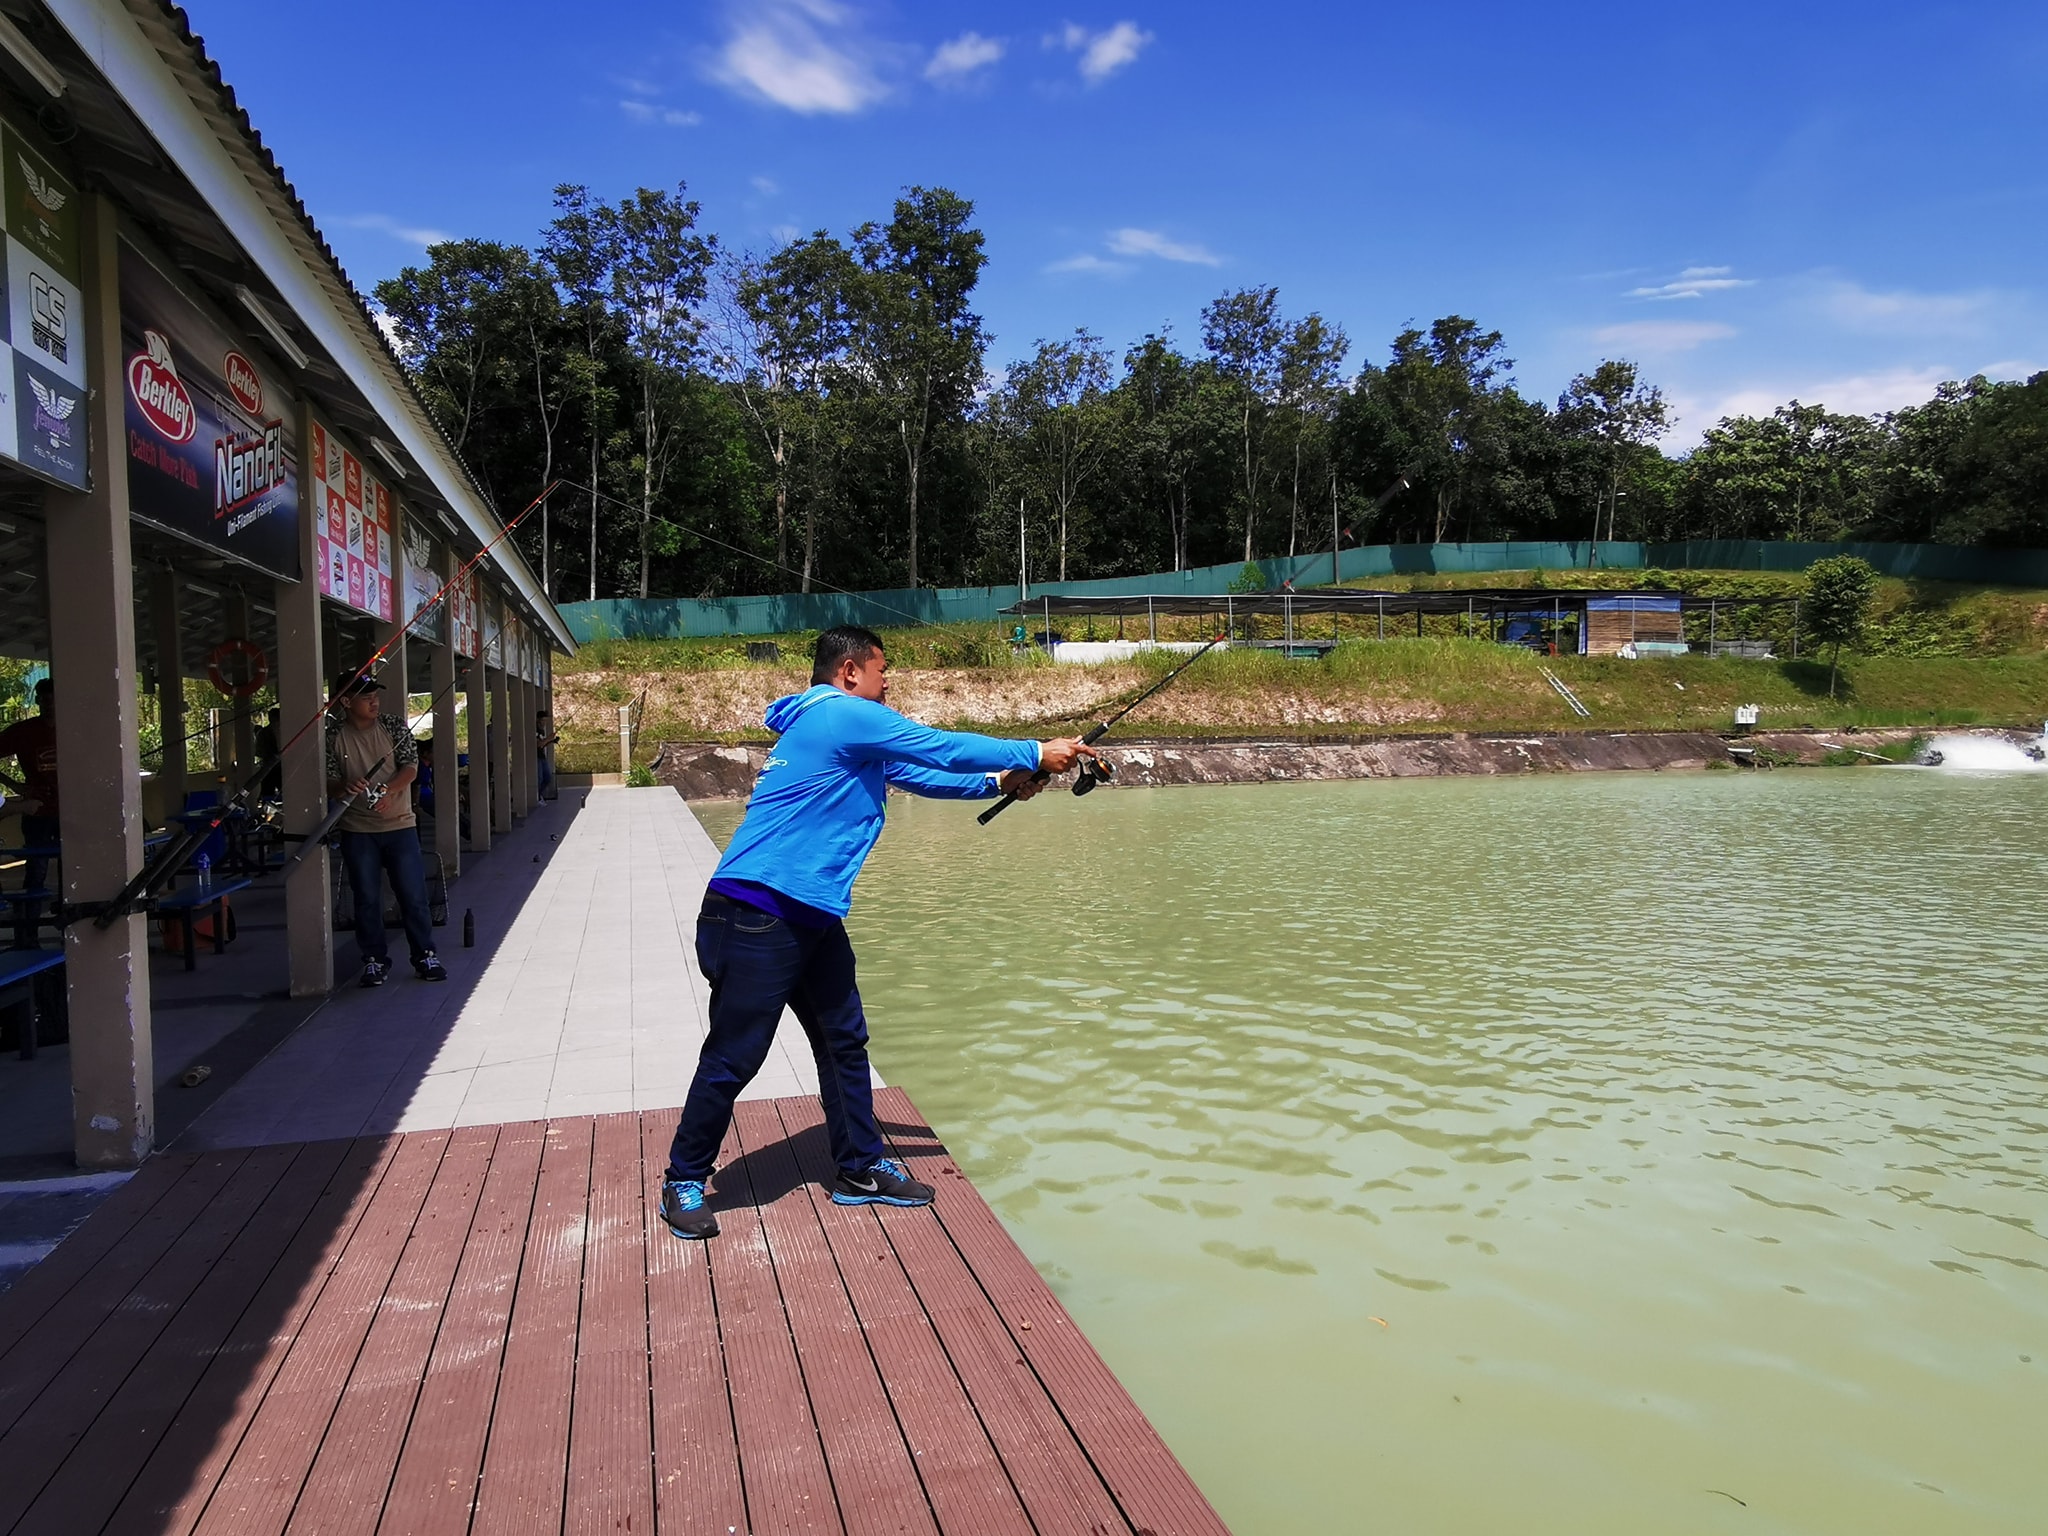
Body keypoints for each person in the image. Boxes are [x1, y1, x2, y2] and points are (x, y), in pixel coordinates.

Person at [660, 625, 1095, 1240]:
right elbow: (937, 746)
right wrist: (1030, 753)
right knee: (736, 1054)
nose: (888, 681)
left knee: (844, 1042)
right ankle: (683, 1177)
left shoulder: (833, 728)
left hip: (810, 912)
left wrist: (1002, 782)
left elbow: (925, 774)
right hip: (755, 910)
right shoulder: (839, 716)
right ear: (848, 672)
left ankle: (858, 1168)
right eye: (881, 670)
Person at [324, 672, 446, 987]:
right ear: (346, 702)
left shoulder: (393, 725)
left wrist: (389, 791)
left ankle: (425, 956)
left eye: (375, 694)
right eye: (366, 697)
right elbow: (328, 780)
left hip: (401, 826)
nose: (374, 701)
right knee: (366, 898)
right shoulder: (332, 734)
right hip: (357, 830)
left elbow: (410, 767)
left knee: (413, 895)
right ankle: (375, 961)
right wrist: (344, 787)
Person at [0, 678, 60, 891]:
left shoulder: (75, 728)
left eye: (53, 700)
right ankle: (28, 923)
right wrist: (14, 785)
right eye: (45, 700)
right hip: (38, 810)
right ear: (38, 702)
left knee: (76, 869)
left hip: (72, 810)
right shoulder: (23, 731)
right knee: (36, 870)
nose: (50, 706)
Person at [536, 711, 559, 800]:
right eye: (543, 720)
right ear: (538, 720)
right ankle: (536, 797)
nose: (544, 723)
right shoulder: (536, 730)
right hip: (537, 757)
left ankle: (539, 795)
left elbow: (542, 745)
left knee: (548, 777)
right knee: (540, 779)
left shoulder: (542, 731)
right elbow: (538, 744)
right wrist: (549, 738)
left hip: (542, 756)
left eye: (546, 721)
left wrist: (551, 741)